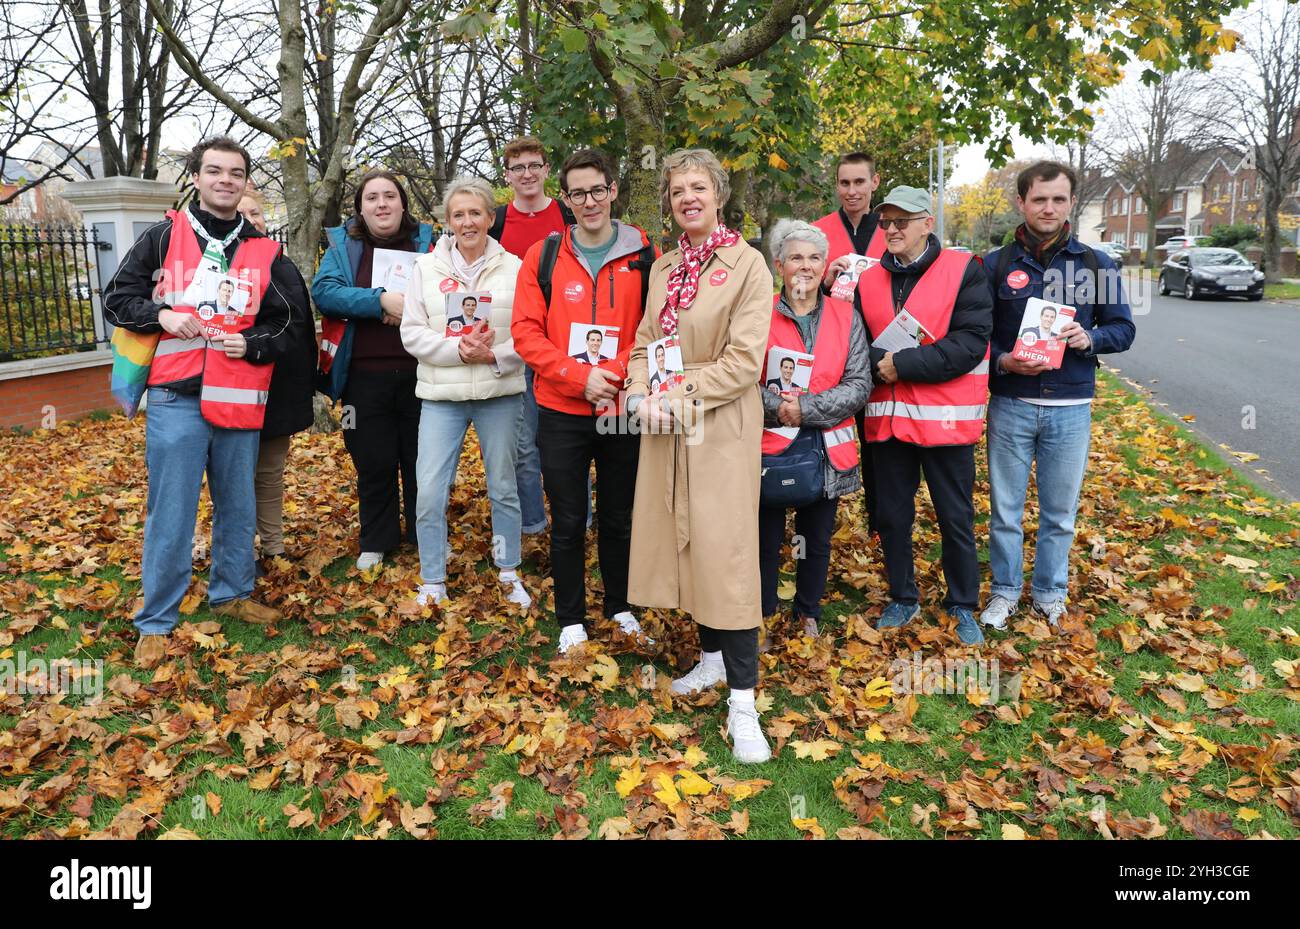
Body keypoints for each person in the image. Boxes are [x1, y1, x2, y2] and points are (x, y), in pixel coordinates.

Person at [103, 136, 304, 669]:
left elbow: (289, 321)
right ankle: (156, 618)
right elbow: (117, 299)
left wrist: (255, 343)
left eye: (236, 173)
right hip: (175, 395)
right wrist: (161, 315)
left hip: (239, 394)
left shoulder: (265, 249)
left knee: (237, 503)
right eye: (214, 171)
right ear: (195, 176)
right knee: (171, 510)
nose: (225, 181)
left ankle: (233, 594)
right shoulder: (163, 236)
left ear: (245, 183)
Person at [626, 148, 774, 764]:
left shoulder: (749, 265)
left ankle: (745, 704)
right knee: (684, 541)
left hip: (720, 428)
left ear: (718, 194)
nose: (688, 197)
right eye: (678, 189)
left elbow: (743, 363)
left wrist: (673, 393)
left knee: (727, 552)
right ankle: (711, 661)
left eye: (699, 187)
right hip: (667, 425)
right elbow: (642, 342)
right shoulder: (663, 269)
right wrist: (639, 394)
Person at [512, 148, 657, 653]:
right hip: (562, 410)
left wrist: (612, 377)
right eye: (578, 193)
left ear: (613, 190)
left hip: (622, 409)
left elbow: (654, 328)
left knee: (619, 516)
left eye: (598, 190)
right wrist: (578, 377)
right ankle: (571, 617)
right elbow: (525, 332)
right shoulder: (545, 255)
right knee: (570, 518)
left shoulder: (645, 253)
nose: (590, 201)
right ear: (565, 198)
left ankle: (620, 607)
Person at [981, 161, 1135, 631]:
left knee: (1060, 513)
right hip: (1011, 403)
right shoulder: (994, 265)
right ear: (1022, 202)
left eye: (1058, 199)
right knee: (1004, 511)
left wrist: (1089, 338)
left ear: (1070, 203)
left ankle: (1049, 592)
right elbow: (973, 337)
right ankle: (1005, 593)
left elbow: (1123, 328)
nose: (1048, 208)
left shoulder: (1096, 263)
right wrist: (1003, 361)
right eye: (1039, 199)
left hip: (1070, 408)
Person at [844, 185, 992, 646]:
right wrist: (873, 363)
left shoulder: (964, 269)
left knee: (955, 517)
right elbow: (850, 344)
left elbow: (970, 342)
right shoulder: (868, 280)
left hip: (945, 423)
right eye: (885, 221)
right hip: (886, 424)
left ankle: (962, 604)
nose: (890, 229)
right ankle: (902, 597)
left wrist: (901, 364)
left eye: (901, 221)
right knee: (891, 516)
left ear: (928, 223)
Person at [400, 176, 532, 608]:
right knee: (431, 489)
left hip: (500, 392)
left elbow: (531, 334)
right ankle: (433, 579)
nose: (467, 221)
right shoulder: (425, 268)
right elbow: (412, 334)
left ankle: (508, 569)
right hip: (441, 398)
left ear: (491, 217)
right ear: (448, 221)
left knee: (503, 487)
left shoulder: (516, 267)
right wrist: (458, 350)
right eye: (458, 214)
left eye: (476, 212)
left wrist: (494, 357)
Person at [313, 170, 434, 572]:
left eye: (389, 196)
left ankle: (426, 536)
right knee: (373, 458)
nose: (381, 204)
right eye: (372, 198)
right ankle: (376, 539)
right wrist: (380, 301)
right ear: (360, 209)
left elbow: (450, 291)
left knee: (423, 461)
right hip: (363, 378)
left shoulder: (430, 243)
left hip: (422, 373)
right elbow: (324, 292)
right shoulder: (343, 247)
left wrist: (410, 307)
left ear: (403, 203)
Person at [759, 219, 870, 639]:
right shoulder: (757, 315)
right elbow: (743, 381)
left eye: (814, 258)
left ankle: (807, 612)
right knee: (764, 540)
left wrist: (805, 408)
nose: (805, 266)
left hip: (827, 447)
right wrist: (779, 409)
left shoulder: (847, 316)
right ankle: (764, 612)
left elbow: (859, 384)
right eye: (795, 258)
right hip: (768, 445)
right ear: (778, 265)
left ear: (825, 266)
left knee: (815, 539)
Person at [489, 136, 577, 537]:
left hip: (563, 346)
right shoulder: (497, 221)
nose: (527, 174)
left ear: (546, 170)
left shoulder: (566, 214)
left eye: (534, 166)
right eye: (518, 168)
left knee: (569, 445)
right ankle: (532, 525)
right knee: (523, 448)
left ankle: (577, 521)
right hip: (513, 346)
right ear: (507, 176)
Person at [237, 192, 317, 576]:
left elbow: (297, 326)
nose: (251, 219)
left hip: (278, 386)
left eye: (256, 212)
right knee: (234, 475)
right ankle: (239, 550)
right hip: (233, 385)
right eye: (242, 213)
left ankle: (273, 547)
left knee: (269, 473)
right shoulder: (220, 263)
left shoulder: (278, 260)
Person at [815, 152, 886, 536]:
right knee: (828, 434)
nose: (852, 190)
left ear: (874, 183)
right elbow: (799, 289)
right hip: (833, 351)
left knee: (877, 444)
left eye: (859, 182)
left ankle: (879, 523)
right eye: (845, 183)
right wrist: (825, 281)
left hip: (881, 352)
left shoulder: (891, 228)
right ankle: (819, 521)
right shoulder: (819, 230)